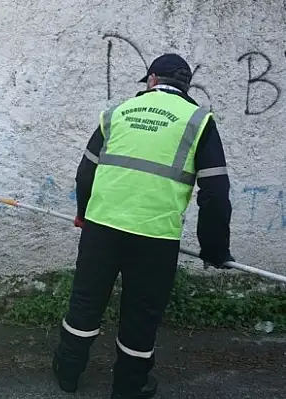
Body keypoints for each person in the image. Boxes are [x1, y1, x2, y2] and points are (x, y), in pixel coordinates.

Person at [51, 54, 233, 398]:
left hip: (101, 229)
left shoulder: (117, 113)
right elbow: (215, 193)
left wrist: (83, 213)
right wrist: (214, 249)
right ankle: (129, 386)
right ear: (185, 86)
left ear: (151, 79)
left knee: (85, 303)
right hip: (154, 239)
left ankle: (68, 372)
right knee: (141, 316)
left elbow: (85, 172)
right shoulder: (198, 121)